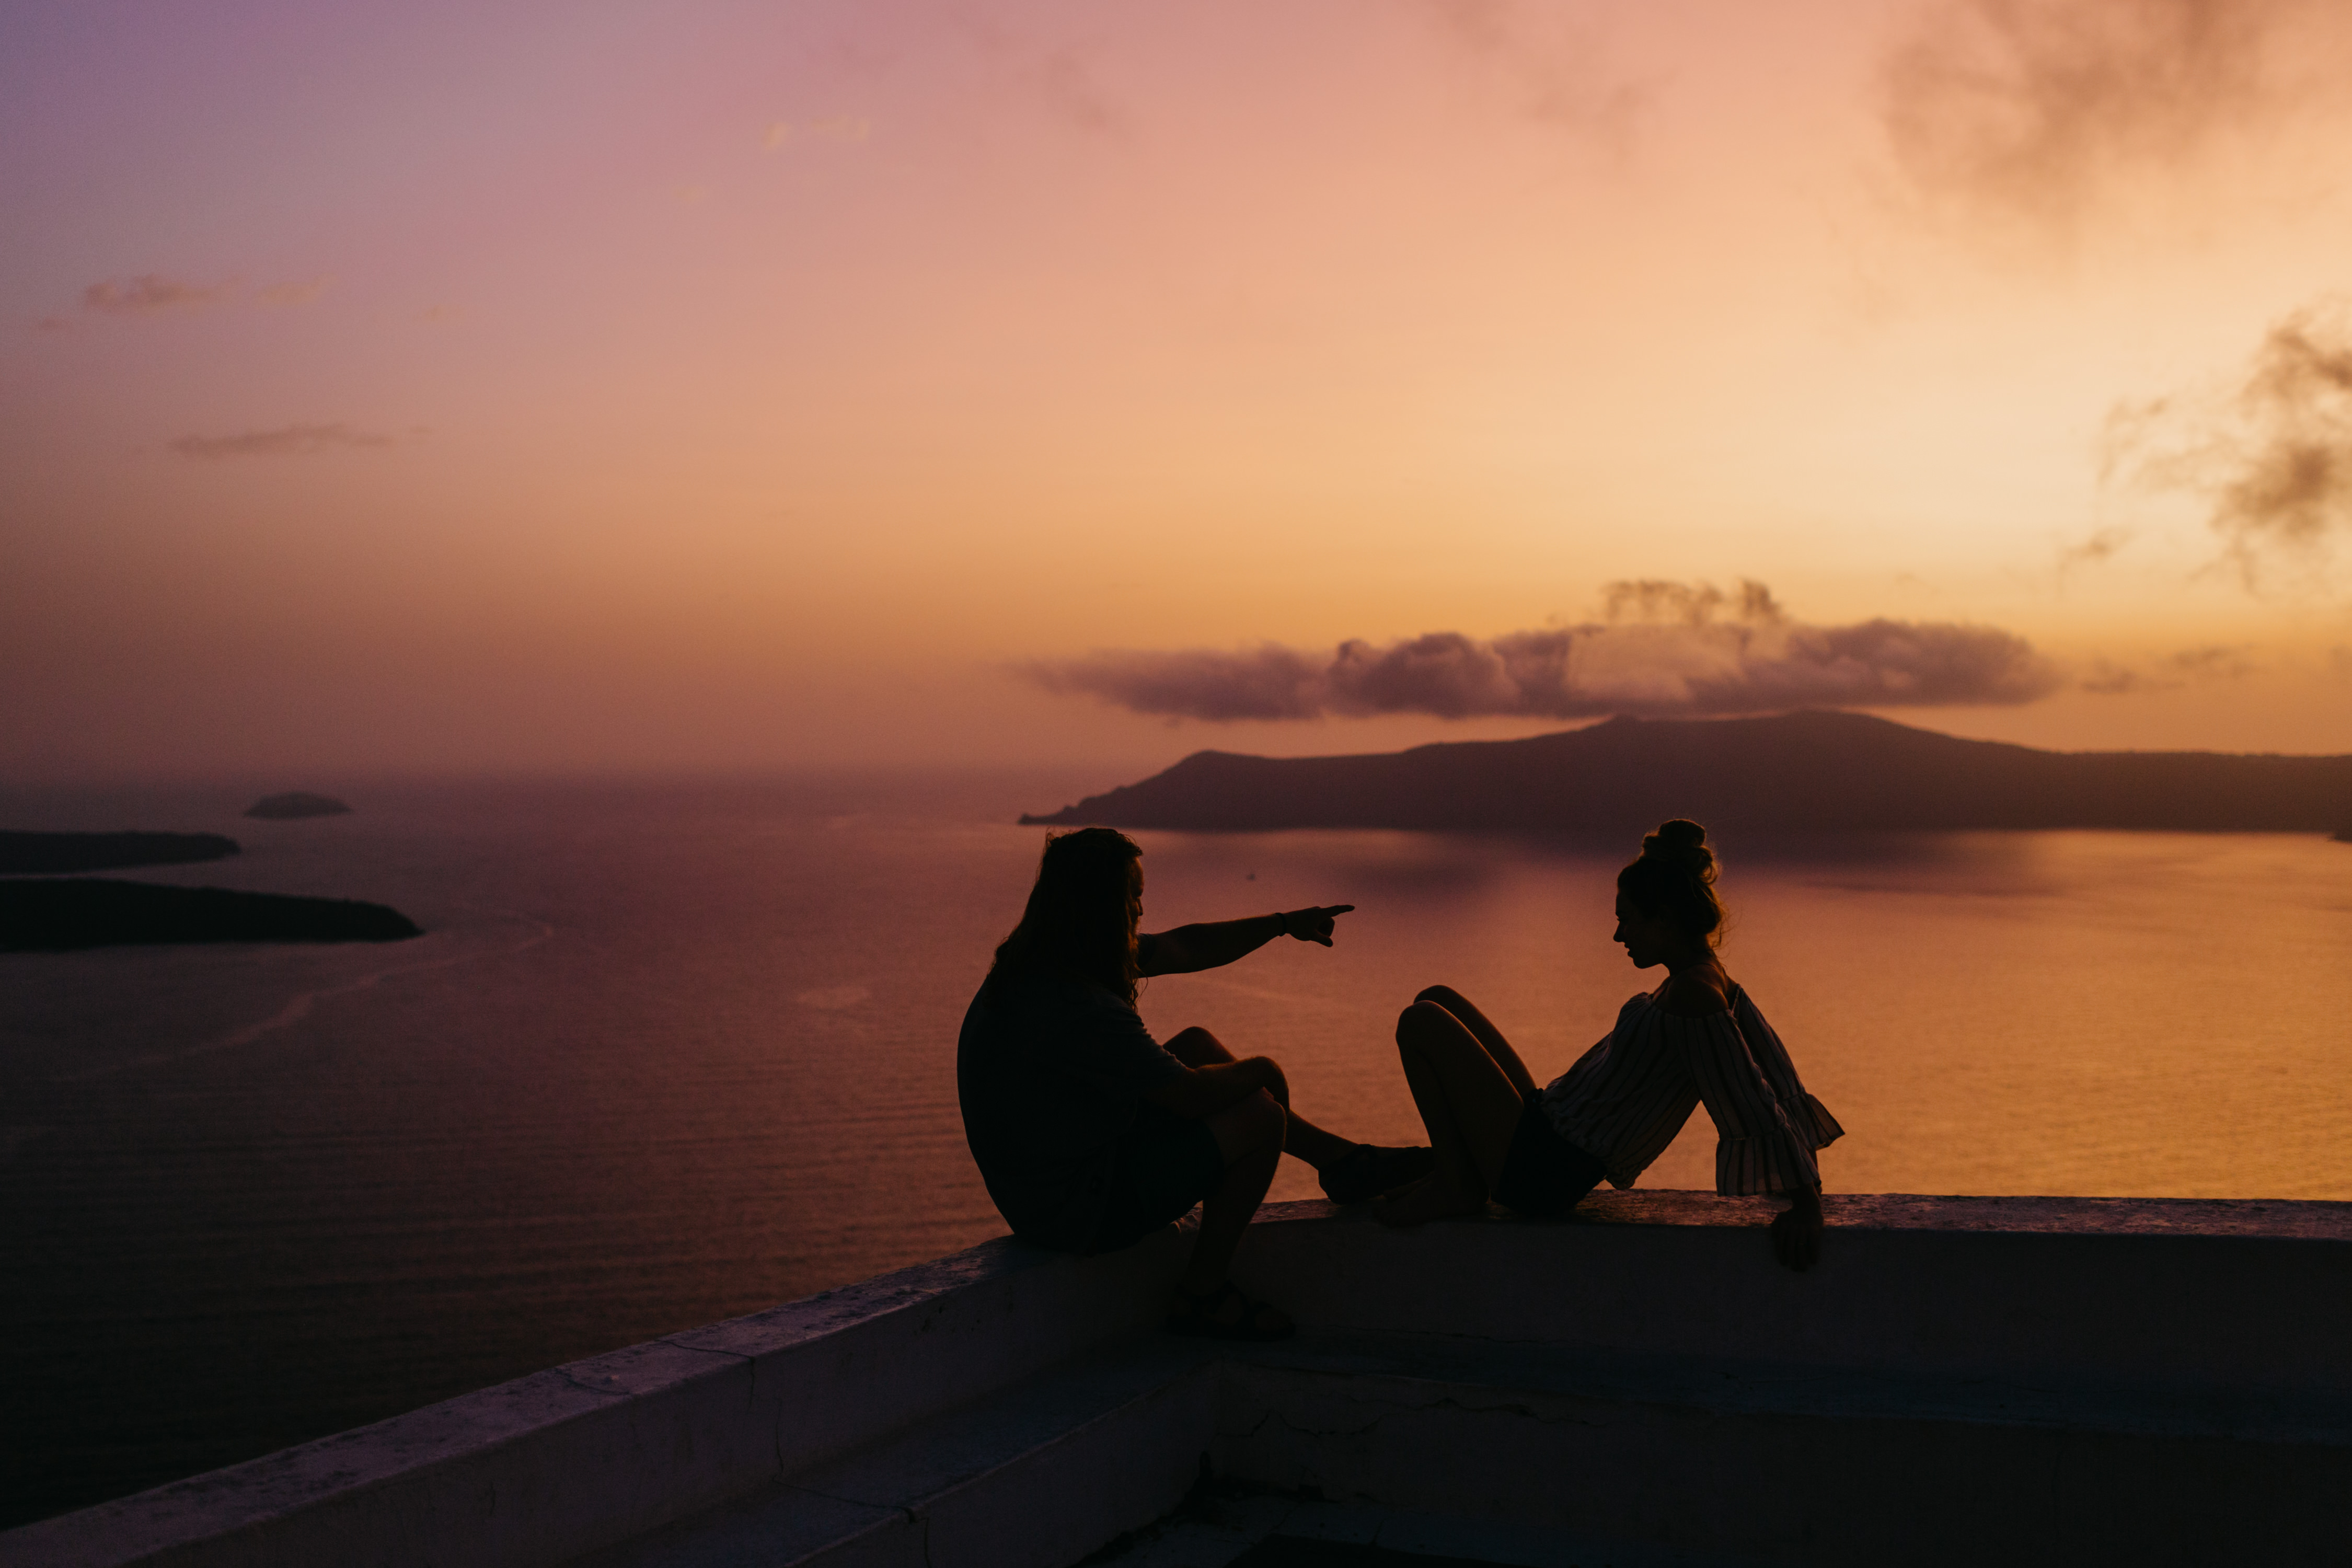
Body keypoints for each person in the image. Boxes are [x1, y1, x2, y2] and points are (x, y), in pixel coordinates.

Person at [958, 827, 1432, 1340]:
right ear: (1101, 908)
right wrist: (1266, 1070)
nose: (1140, 911)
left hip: (1049, 1183)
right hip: (1074, 1211)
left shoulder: (1044, 963)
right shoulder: (1079, 1004)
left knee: (1198, 1045)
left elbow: (1187, 945)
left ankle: (1339, 1161)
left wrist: (1283, 924)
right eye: (1133, 899)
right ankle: (1202, 1293)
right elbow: (1190, 1098)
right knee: (1261, 1117)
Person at [1370, 820, 1843, 1272]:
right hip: (1544, 1127)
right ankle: (1458, 1172)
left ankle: (1457, 1181)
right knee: (1437, 999)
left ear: (1663, 920)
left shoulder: (1696, 994)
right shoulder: (1702, 979)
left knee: (1420, 1022)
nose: (1619, 935)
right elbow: (1780, 1075)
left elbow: (1751, 1096)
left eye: (1627, 921)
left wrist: (1807, 1201)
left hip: (1545, 1171)